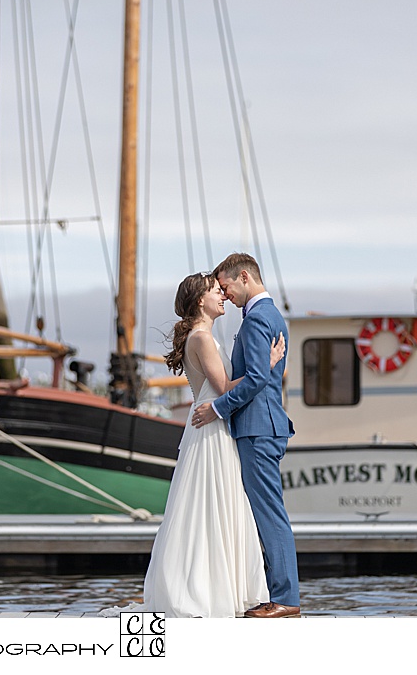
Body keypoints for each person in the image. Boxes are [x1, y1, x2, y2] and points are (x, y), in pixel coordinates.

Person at [142, 271, 286, 617]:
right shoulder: (202, 338)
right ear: (199, 301)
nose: (222, 295)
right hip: (210, 429)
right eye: (214, 291)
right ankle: (209, 590)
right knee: (212, 507)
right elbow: (223, 387)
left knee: (215, 506)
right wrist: (265, 365)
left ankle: (220, 586)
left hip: (212, 425)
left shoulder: (203, 336)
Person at [192, 253, 301, 618]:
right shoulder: (268, 316)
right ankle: (277, 594)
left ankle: (284, 599)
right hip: (263, 425)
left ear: (243, 277)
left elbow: (256, 379)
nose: (226, 295)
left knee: (269, 514)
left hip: (257, 426)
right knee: (266, 512)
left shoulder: (256, 320)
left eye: (226, 287)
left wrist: (218, 409)